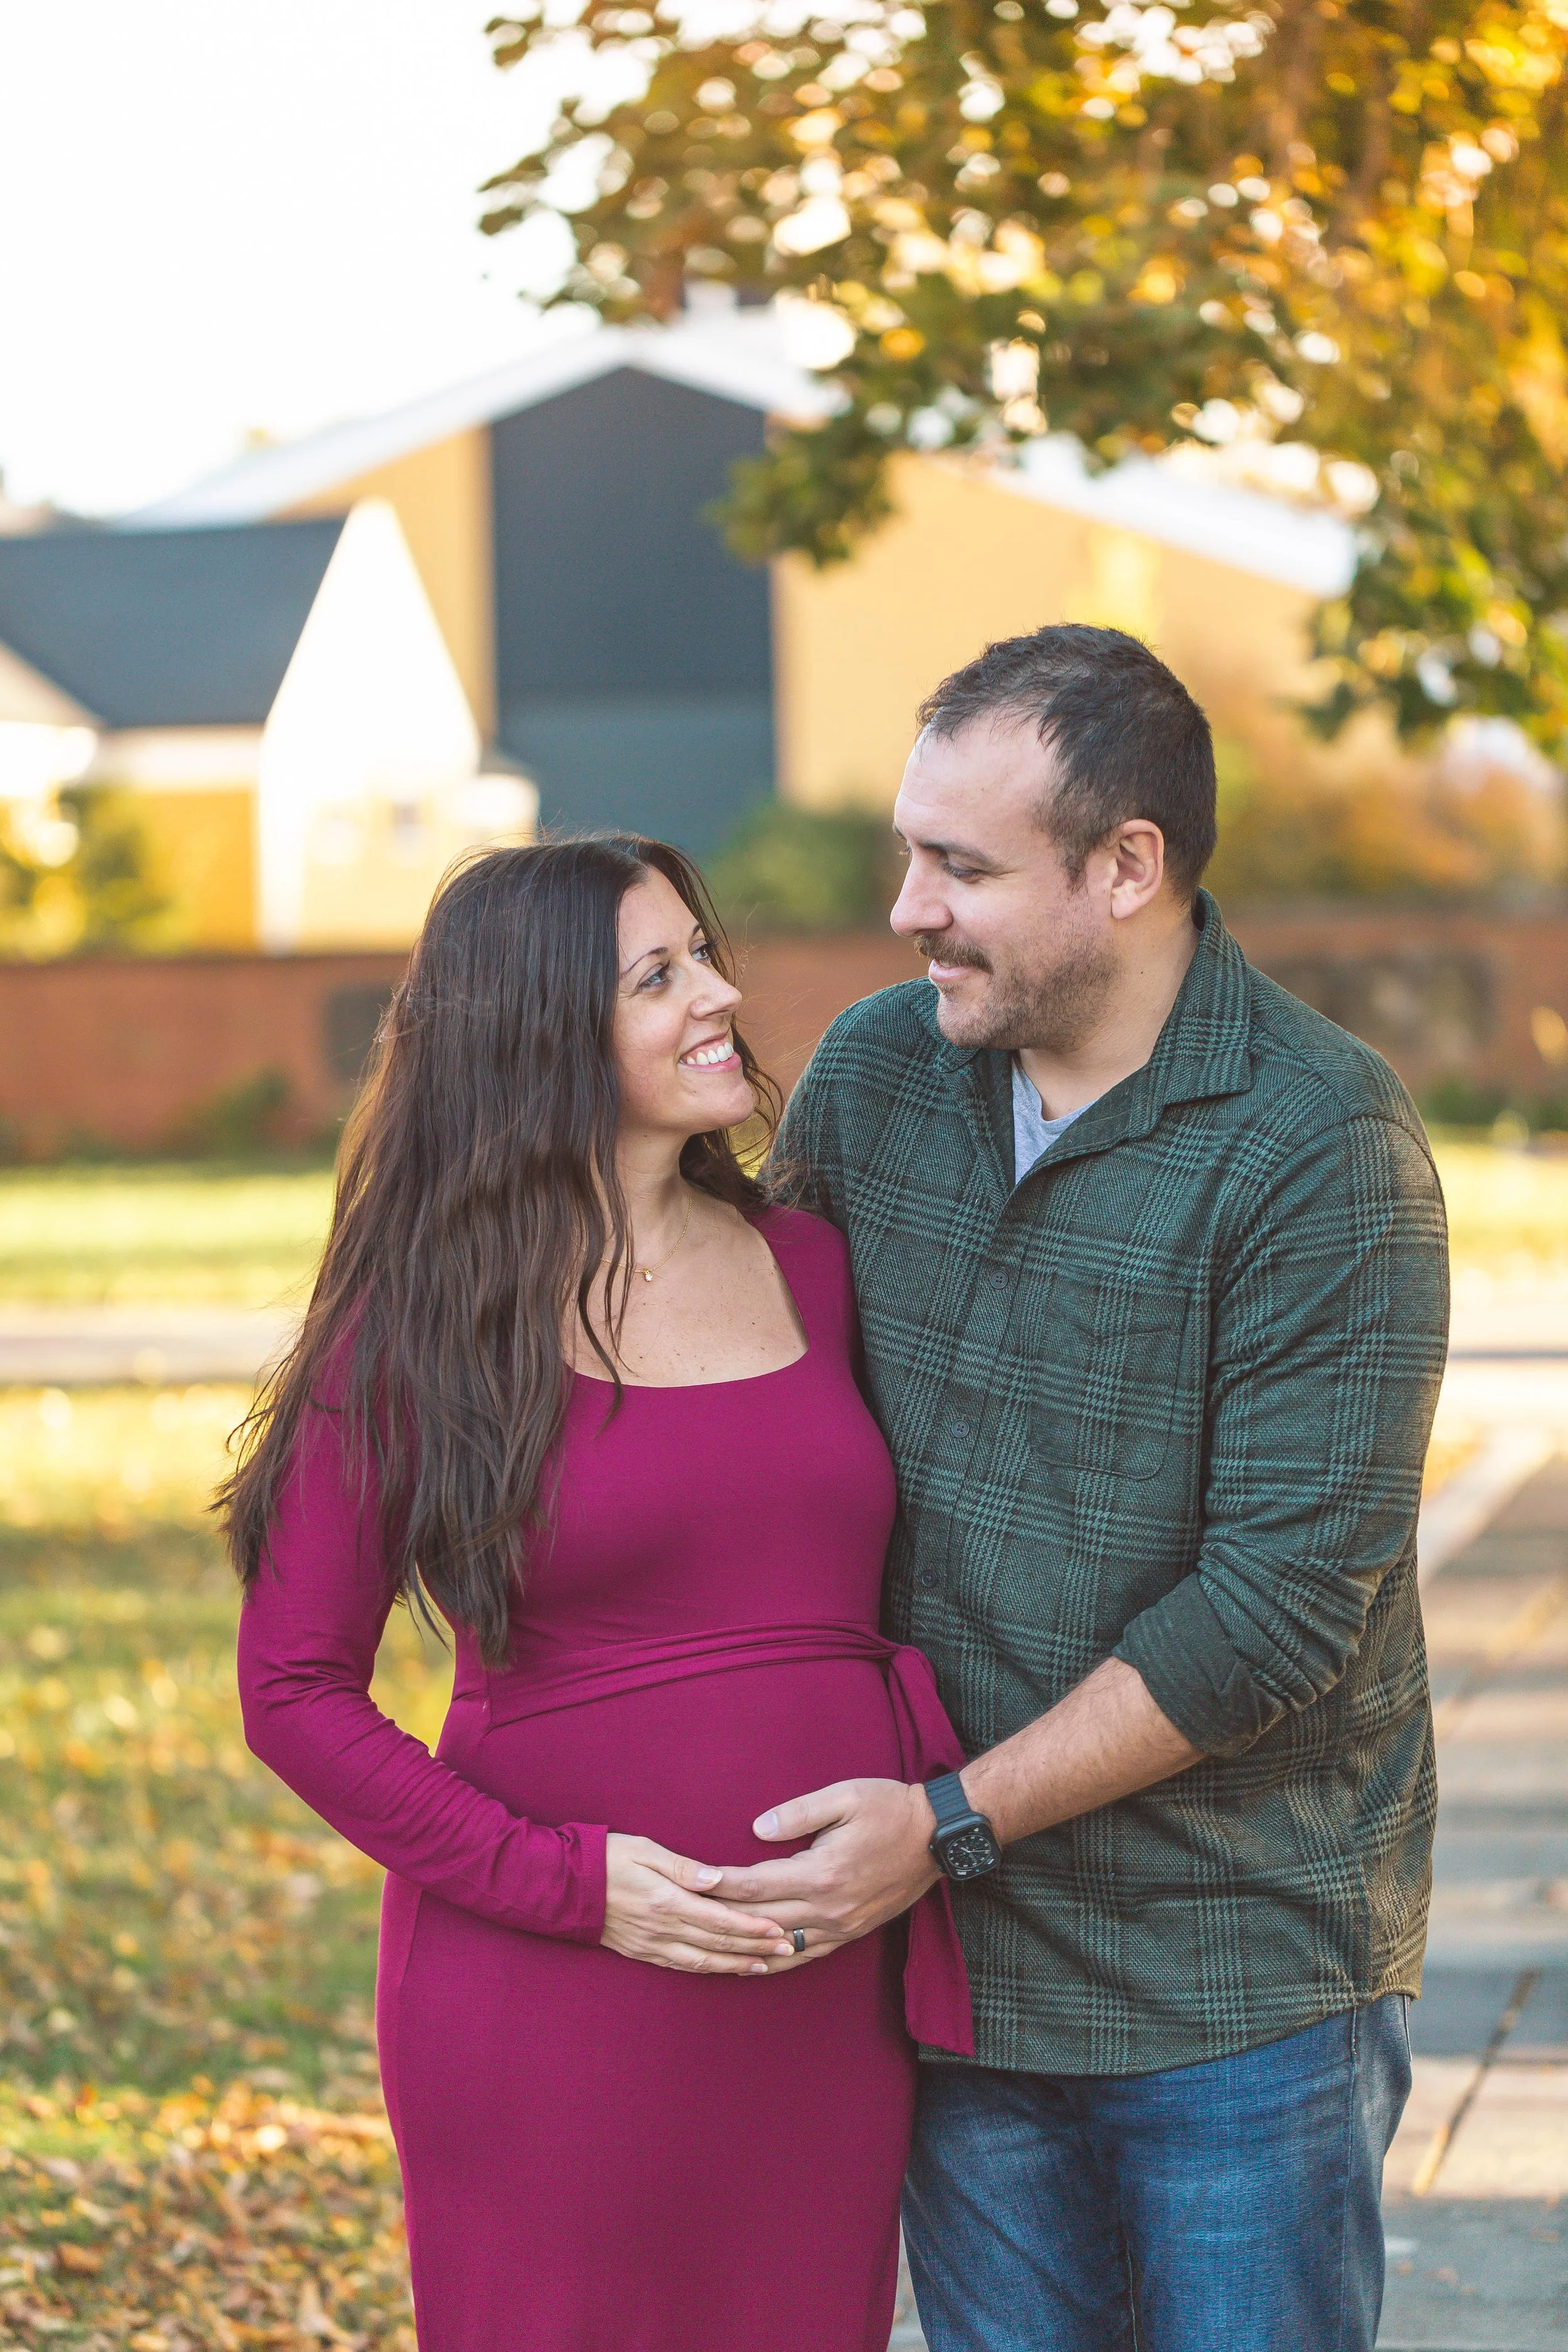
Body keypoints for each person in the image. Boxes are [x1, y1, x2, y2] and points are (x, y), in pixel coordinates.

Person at [710, 625, 1451, 2352]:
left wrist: (947, 1817)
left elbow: (1271, 1608)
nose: (905, 906)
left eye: (961, 866)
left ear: (1128, 868)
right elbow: (759, 1407)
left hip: (1233, 1979)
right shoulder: (881, 1074)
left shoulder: (1320, 1144)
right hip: (960, 1980)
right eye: (910, 849)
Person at [223, 837, 972, 2352]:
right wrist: (575, 1886)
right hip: (549, 1991)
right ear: (539, 1028)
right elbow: (290, 1689)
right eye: (660, 974)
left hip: (818, 1989)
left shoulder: (810, 1263)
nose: (722, 994)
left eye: (703, 952)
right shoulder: (419, 1326)